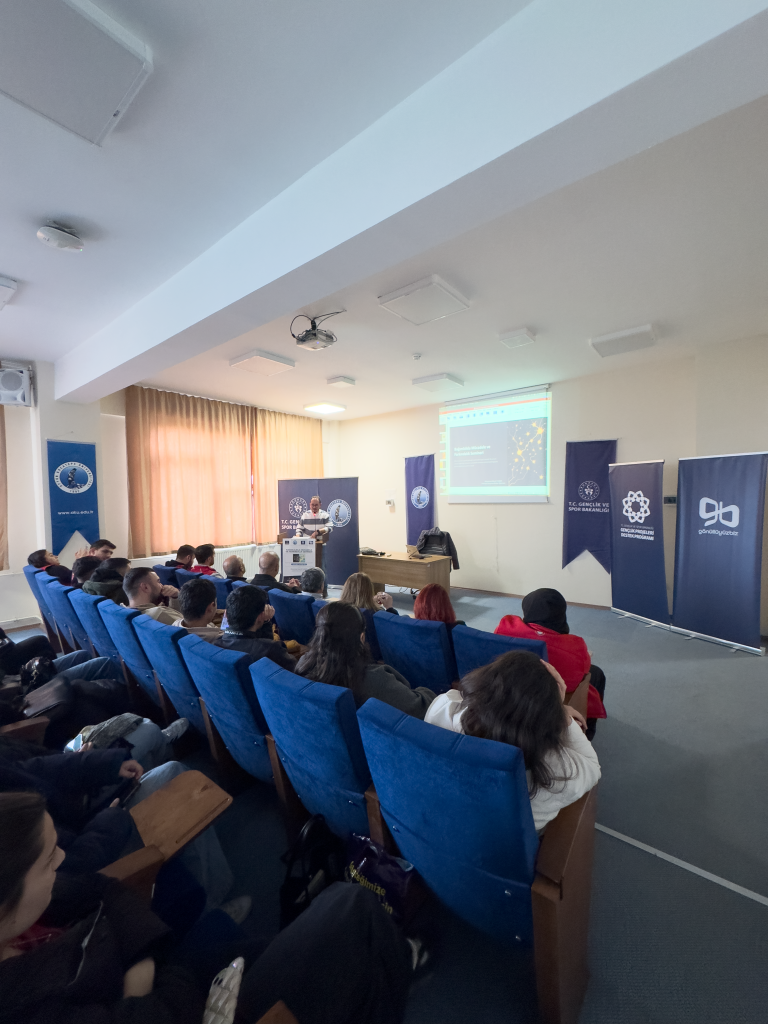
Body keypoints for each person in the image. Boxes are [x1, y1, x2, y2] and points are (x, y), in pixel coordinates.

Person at [0, 791, 412, 1024]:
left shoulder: (29, 915)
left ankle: (384, 958)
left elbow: (109, 891)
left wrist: (140, 965)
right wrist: (143, 985)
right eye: (48, 861)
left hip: (164, 975)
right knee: (352, 904)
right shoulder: (26, 1007)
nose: (62, 858)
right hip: (189, 1004)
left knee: (343, 942)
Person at [424, 650, 601, 833]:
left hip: (440, 824)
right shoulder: (555, 770)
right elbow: (593, 766)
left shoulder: (443, 709)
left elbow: (461, 698)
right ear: (547, 715)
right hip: (499, 844)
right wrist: (561, 711)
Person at [494, 588, 607, 738]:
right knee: (596, 673)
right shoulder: (575, 645)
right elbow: (576, 679)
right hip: (549, 700)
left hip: (510, 689)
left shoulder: (506, 625)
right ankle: (588, 732)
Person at [296, 603, 436, 718]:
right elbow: (422, 708)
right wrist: (425, 691)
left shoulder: (303, 665)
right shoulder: (375, 680)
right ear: (361, 638)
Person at [213, 586, 296, 670]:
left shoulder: (215, 645)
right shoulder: (272, 649)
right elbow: (294, 671)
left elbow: (259, 643)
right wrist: (266, 622)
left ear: (226, 615)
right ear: (260, 616)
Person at [339, 572, 399, 661]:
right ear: (370, 590)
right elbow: (395, 631)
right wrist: (389, 608)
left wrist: (370, 600)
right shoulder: (376, 615)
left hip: (344, 658)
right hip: (375, 659)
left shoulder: (337, 611)